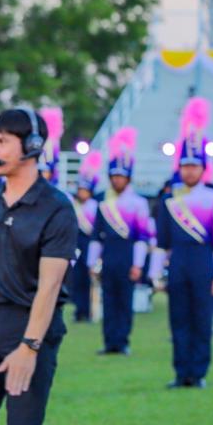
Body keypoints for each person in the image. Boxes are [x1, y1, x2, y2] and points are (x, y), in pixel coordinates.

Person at [0, 107, 77, 425]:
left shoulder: (56, 207)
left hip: (31, 331)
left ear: (31, 146)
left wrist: (28, 347)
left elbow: (49, 288)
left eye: (3, 140)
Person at [155, 97, 213, 389]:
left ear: (203, 168)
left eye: (195, 166)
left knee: (201, 319)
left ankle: (198, 372)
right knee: (178, 318)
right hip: (179, 262)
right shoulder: (169, 200)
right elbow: (161, 242)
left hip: (203, 261)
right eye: (185, 166)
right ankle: (180, 372)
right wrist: (156, 274)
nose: (189, 171)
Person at [89, 128, 154, 356]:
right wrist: (92, 263)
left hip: (128, 253)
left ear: (128, 178)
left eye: (121, 176)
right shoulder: (103, 202)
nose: (117, 180)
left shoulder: (138, 203)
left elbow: (142, 237)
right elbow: (97, 236)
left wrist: (138, 264)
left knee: (125, 300)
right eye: (114, 176)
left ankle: (123, 340)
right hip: (109, 254)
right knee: (108, 299)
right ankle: (109, 342)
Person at [71, 149, 102, 323]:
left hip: (90, 244)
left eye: (85, 190)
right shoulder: (73, 204)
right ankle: (79, 309)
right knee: (77, 279)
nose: (82, 193)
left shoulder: (95, 206)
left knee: (90, 280)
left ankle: (90, 311)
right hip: (76, 244)